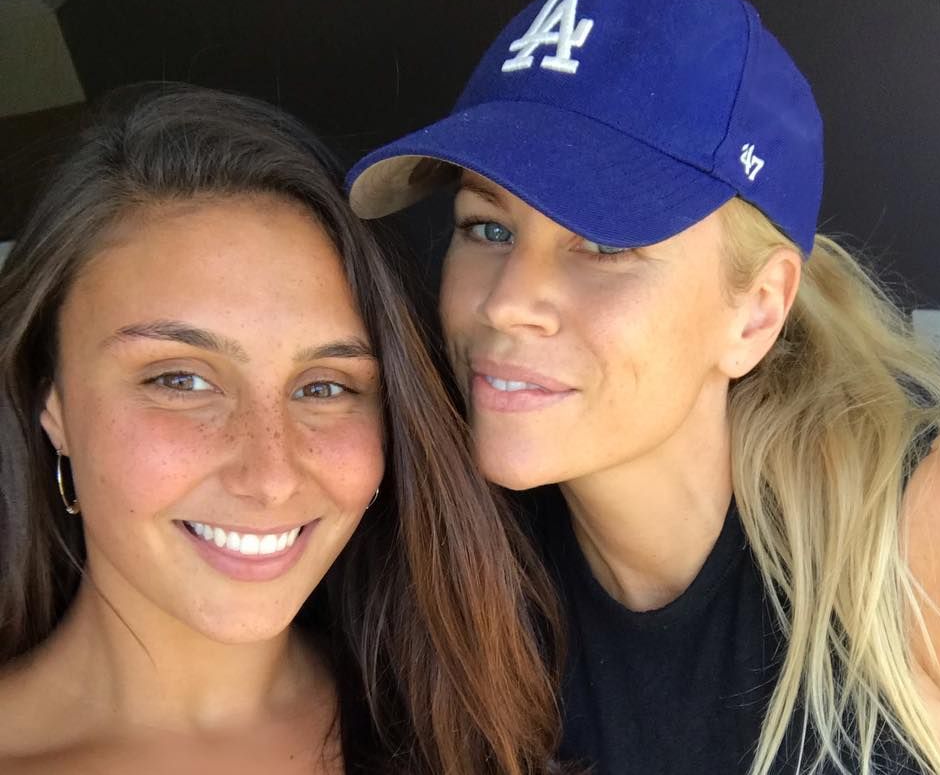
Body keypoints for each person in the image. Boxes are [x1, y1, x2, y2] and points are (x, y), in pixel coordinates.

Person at [345, 0, 940, 774]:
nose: (506, 302)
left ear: (756, 311)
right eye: (487, 227)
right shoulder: (435, 570)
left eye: (606, 243)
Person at [0, 85, 562, 775]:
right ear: (53, 401)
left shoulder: (472, 726)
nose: (269, 477)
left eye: (324, 388)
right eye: (181, 380)